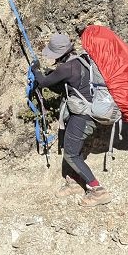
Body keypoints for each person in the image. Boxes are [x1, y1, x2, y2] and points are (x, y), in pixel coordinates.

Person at [31, 32, 111, 206]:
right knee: (74, 149)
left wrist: (36, 69)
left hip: (82, 116)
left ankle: (98, 190)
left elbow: (44, 82)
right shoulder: (82, 60)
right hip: (90, 112)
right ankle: (73, 182)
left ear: (58, 53)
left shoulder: (65, 68)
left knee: (71, 154)